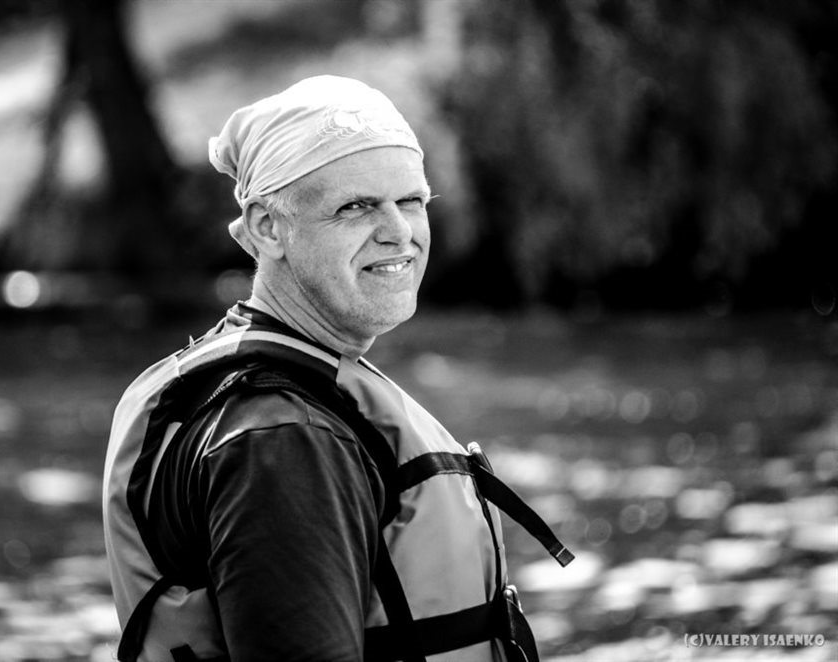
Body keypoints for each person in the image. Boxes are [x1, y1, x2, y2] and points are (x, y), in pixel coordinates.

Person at [103, 75, 572, 662]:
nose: (399, 232)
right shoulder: (283, 438)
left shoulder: (284, 395)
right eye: (355, 207)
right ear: (267, 227)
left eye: (412, 201)